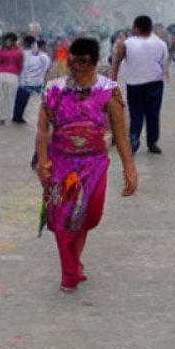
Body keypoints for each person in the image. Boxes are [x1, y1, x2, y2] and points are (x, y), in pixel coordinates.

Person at [35, 37, 137, 292]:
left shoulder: (108, 90)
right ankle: (69, 272)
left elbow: (120, 133)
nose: (75, 66)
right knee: (64, 216)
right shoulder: (54, 89)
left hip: (95, 165)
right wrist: (42, 163)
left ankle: (75, 262)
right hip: (62, 166)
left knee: (86, 215)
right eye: (72, 59)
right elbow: (42, 128)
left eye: (82, 61)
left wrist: (129, 167)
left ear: (93, 62)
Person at [110, 15, 169, 154]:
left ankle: (134, 139)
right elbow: (164, 64)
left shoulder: (128, 43)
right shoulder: (161, 44)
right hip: (155, 83)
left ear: (136, 28)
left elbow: (117, 60)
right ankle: (152, 142)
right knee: (153, 113)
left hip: (134, 84)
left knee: (136, 113)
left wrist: (113, 76)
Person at [13, 36, 51, 124]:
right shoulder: (43, 56)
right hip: (37, 82)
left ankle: (17, 117)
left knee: (20, 100)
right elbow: (46, 68)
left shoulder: (21, 53)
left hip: (24, 81)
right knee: (42, 100)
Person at [0, 32, 23, 125]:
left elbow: (20, 65)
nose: (8, 42)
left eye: (10, 41)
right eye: (7, 40)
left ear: (13, 42)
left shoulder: (18, 52)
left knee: (9, 97)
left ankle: (4, 118)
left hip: (11, 75)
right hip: (0, 74)